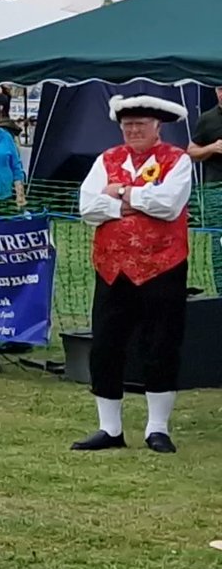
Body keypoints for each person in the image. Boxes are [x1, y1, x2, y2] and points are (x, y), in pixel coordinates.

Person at [74, 95, 192, 454]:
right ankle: (109, 428)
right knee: (107, 345)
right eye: (127, 125)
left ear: (158, 126)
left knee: (160, 344)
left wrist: (122, 193)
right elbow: (87, 207)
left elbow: (169, 205)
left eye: (140, 124)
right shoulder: (106, 159)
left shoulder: (178, 160)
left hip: (163, 266)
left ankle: (157, 427)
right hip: (112, 268)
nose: (133, 130)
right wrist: (138, 199)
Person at [187, 86, 222, 294]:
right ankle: (221, 292)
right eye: (219, 89)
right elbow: (191, 151)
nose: (221, 93)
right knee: (219, 242)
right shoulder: (207, 119)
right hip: (216, 190)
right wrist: (212, 148)